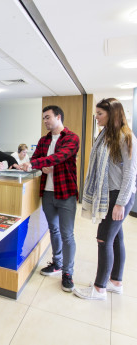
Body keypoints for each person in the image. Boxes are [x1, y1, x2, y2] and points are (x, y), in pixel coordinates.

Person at [74, 98, 137, 300]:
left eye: (100, 113)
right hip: (110, 193)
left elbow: (130, 173)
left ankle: (99, 289)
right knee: (116, 237)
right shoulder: (105, 136)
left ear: (113, 114)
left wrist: (120, 203)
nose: (97, 117)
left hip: (119, 195)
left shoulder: (125, 137)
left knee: (104, 238)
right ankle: (115, 282)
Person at [17, 105, 79, 292]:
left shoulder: (71, 138)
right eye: (43, 118)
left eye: (48, 117)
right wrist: (37, 165)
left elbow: (59, 157)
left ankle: (68, 273)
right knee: (54, 230)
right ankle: (57, 263)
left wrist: (37, 164)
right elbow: (37, 159)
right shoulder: (43, 141)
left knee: (67, 233)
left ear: (58, 117)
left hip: (66, 192)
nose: (45, 121)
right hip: (48, 192)